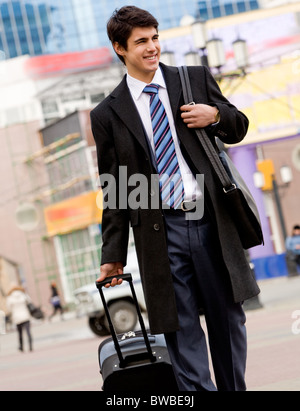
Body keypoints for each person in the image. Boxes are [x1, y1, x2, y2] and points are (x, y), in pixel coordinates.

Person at [90, 6, 260, 391]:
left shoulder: (193, 80)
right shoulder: (107, 113)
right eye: (141, 42)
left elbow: (238, 126)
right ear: (120, 48)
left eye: (155, 38)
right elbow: (115, 188)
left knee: (227, 321)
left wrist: (214, 114)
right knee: (180, 331)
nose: (152, 48)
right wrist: (112, 255)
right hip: (159, 232)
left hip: (210, 221)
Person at [6, 284, 33, 352]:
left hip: (17, 317)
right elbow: (29, 301)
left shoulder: (10, 297)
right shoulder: (23, 295)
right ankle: (30, 346)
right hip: (25, 315)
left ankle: (21, 347)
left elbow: (9, 309)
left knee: (20, 333)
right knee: (28, 332)